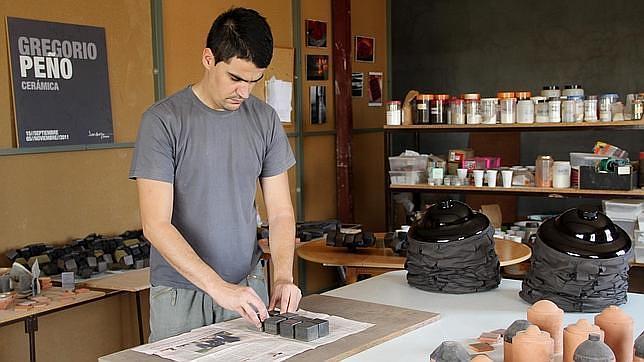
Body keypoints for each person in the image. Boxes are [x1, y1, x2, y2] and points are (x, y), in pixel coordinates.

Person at [129, 7, 301, 342]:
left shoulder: (264, 120)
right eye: (235, 78)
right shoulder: (163, 122)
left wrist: (282, 276)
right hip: (181, 293)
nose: (244, 92)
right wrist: (217, 287)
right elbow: (156, 225)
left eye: (254, 81)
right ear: (208, 59)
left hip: (247, 288)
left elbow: (280, 212)